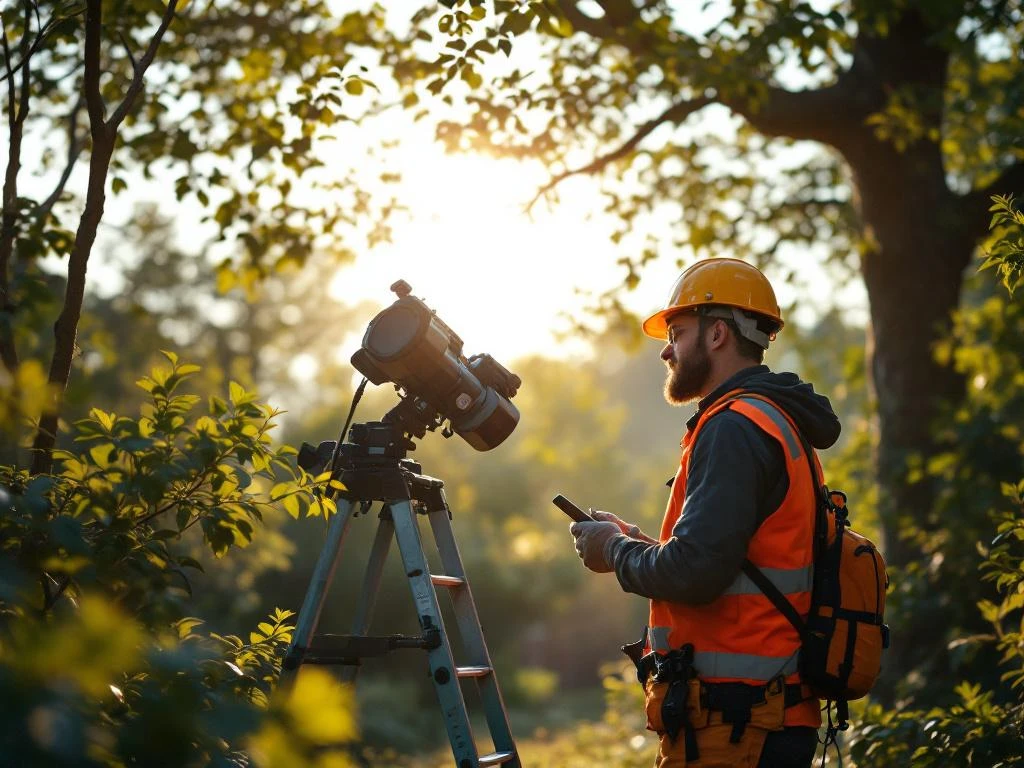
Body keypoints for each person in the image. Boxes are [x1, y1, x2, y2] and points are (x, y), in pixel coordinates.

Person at [569, 258, 841, 768]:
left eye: (677, 332)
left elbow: (696, 572)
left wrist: (614, 551)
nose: (666, 350)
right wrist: (638, 543)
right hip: (760, 718)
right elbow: (730, 566)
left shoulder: (733, 427)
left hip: (740, 726)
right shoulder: (769, 419)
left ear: (717, 334)